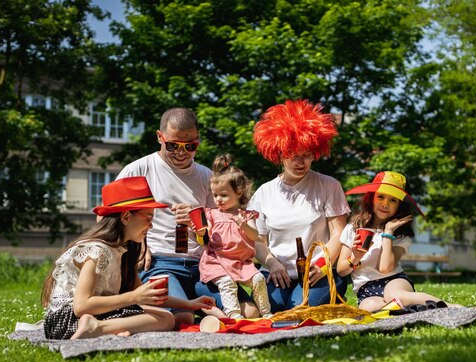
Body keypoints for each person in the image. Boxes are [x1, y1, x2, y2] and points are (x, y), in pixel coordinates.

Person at [116, 108, 258, 324]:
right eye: (173, 145)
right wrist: (134, 246)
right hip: (160, 261)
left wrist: (196, 222)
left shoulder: (207, 177)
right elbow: (107, 218)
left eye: (190, 146)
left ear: (198, 141)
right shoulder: (138, 169)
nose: (181, 152)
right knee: (183, 317)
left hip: (204, 264)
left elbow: (218, 232)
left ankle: (202, 308)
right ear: (159, 137)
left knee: (250, 313)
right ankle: (197, 310)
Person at [40, 176, 215, 340]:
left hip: (94, 314)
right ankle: (98, 329)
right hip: (67, 321)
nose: (151, 225)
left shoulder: (123, 251)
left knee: (166, 317)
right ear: (125, 217)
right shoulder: (97, 251)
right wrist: (134, 298)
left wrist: (189, 304)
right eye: (148, 218)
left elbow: (148, 295)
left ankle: (102, 328)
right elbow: (81, 306)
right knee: (162, 318)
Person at [247, 99, 351, 312]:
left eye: (307, 156)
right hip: (277, 273)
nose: (301, 162)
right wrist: (272, 264)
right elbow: (258, 241)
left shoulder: (329, 186)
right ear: (279, 154)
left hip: (318, 274)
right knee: (269, 312)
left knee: (300, 311)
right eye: (294, 156)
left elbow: (339, 234)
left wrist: (322, 267)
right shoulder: (264, 193)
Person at [336, 171, 457, 312]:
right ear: (371, 198)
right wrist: (355, 258)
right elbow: (341, 270)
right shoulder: (353, 228)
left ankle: (451, 307)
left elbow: (385, 268)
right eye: (381, 197)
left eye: (393, 200)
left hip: (394, 281)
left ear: (399, 205)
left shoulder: (400, 234)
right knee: (371, 308)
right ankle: (409, 311)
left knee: (396, 296)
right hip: (366, 288)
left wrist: (388, 233)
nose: (385, 204)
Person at [196, 154, 273, 319]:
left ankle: (266, 313)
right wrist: (201, 232)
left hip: (240, 263)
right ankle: (234, 315)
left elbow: (254, 236)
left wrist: (244, 225)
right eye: (215, 195)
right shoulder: (211, 214)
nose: (218, 200)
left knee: (259, 279)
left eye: (223, 195)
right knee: (227, 283)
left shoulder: (246, 215)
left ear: (238, 192)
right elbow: (205, 236)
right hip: (216, 261)